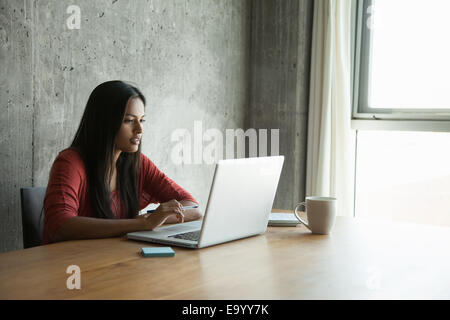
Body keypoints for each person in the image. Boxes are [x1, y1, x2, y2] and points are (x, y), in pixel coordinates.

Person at [42, 80, 202, 244]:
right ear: (104, 122)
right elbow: (59, 226)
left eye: (142, 120)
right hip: (71, 264)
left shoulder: (138, 164)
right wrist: (142, 223)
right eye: (129, 120)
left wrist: (151, 220)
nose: (139, 130)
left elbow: (193, 209)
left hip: (115, 259)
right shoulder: (70, 163)